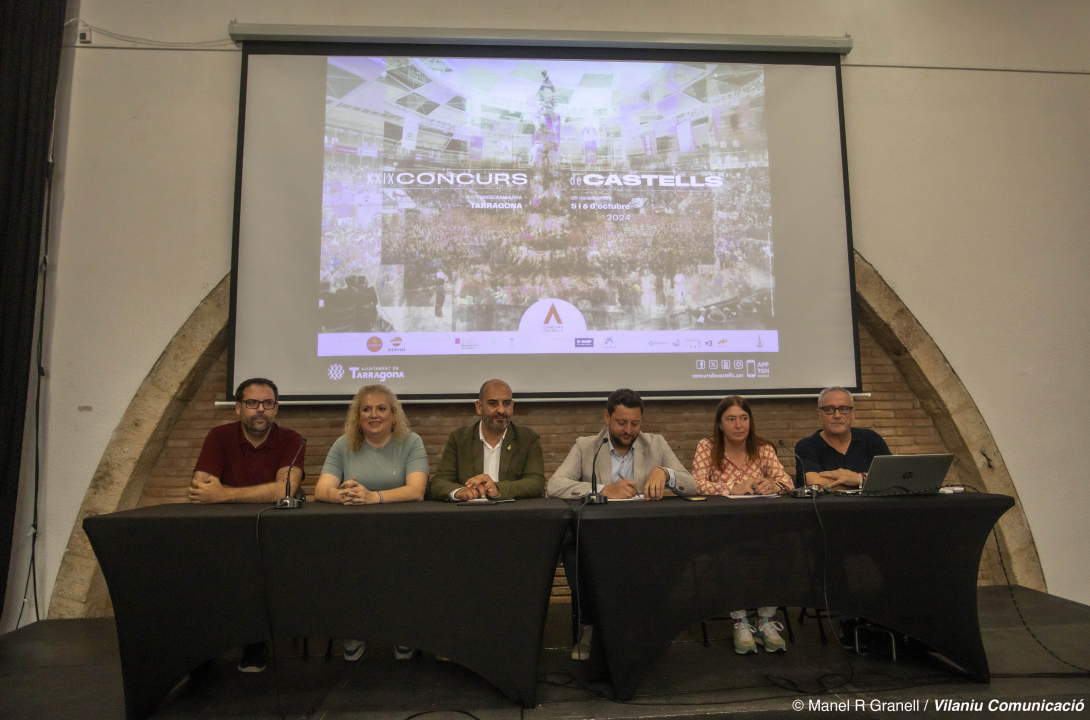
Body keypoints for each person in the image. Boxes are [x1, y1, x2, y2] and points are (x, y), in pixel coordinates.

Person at [548, 388, 698, 660]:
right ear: (606, 417)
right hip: (598, 537)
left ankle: (647, 624)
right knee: (572, 553)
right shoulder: (586, 446)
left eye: (635, 423)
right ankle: (589, 627)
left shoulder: (656, 444)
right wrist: (604, 490)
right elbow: (555, 485)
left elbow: (692, 485)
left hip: (643, 535)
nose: (629, 430)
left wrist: (665, 473)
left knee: (676, 550)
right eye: (621, 422)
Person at [189, 377, 306, 673]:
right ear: (238, 408)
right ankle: (201, 645)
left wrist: (224, 494)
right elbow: (202, 490)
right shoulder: (218, 436)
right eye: (252, 403)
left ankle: (255, 643)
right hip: (223, 532)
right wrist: (232, 495)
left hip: (274, 532)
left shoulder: (292, 439)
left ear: (276, 408)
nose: (260, 410)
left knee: (259, 566)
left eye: (267, 404)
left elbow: (285, 490)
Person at [315, 384, 429, 662]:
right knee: (349, 570)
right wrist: (341, 495)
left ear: (393, 415)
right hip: (354, 537)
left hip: (401, 535)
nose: (373, 415)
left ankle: (403, 631)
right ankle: (355, 629)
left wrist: (373, 497)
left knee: (403, 573)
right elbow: (320, 491)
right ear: (357, 416)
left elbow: (417, 491)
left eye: (381, 409)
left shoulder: (411, 442)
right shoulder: (343, 444)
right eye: (366, 409)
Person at [691, 395, 792, 655]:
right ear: (720, 424)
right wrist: (731, 488)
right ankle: (740, 622)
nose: (739, 425)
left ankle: (766, 619)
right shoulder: (707, 446)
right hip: (722, 529)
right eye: (731, 419)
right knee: (726, 551)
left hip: (760, 528)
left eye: (744, 418)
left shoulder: (763, 448)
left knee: (786, 546)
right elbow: (696, 484)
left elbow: (787, 482)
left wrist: (774, 485)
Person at [428, 379, 545, 501]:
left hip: (511, 514)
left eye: (506, 403)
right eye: (493, 404)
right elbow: (439, 482)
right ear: (479, 407)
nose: (501, 410)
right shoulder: (459, 438)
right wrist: (459, 492)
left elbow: (536, 483)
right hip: (469, 514)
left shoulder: (527, 438)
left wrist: (498, 488)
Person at [793, 387, 891, 489]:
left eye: (844, 409)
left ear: (853, 414)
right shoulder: (807, 446)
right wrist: (859, 481)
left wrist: (859, 478)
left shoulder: (870, 438)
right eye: (829, 409)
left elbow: (892, 475)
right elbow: (813, 483)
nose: (837, 415)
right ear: (819, 414)